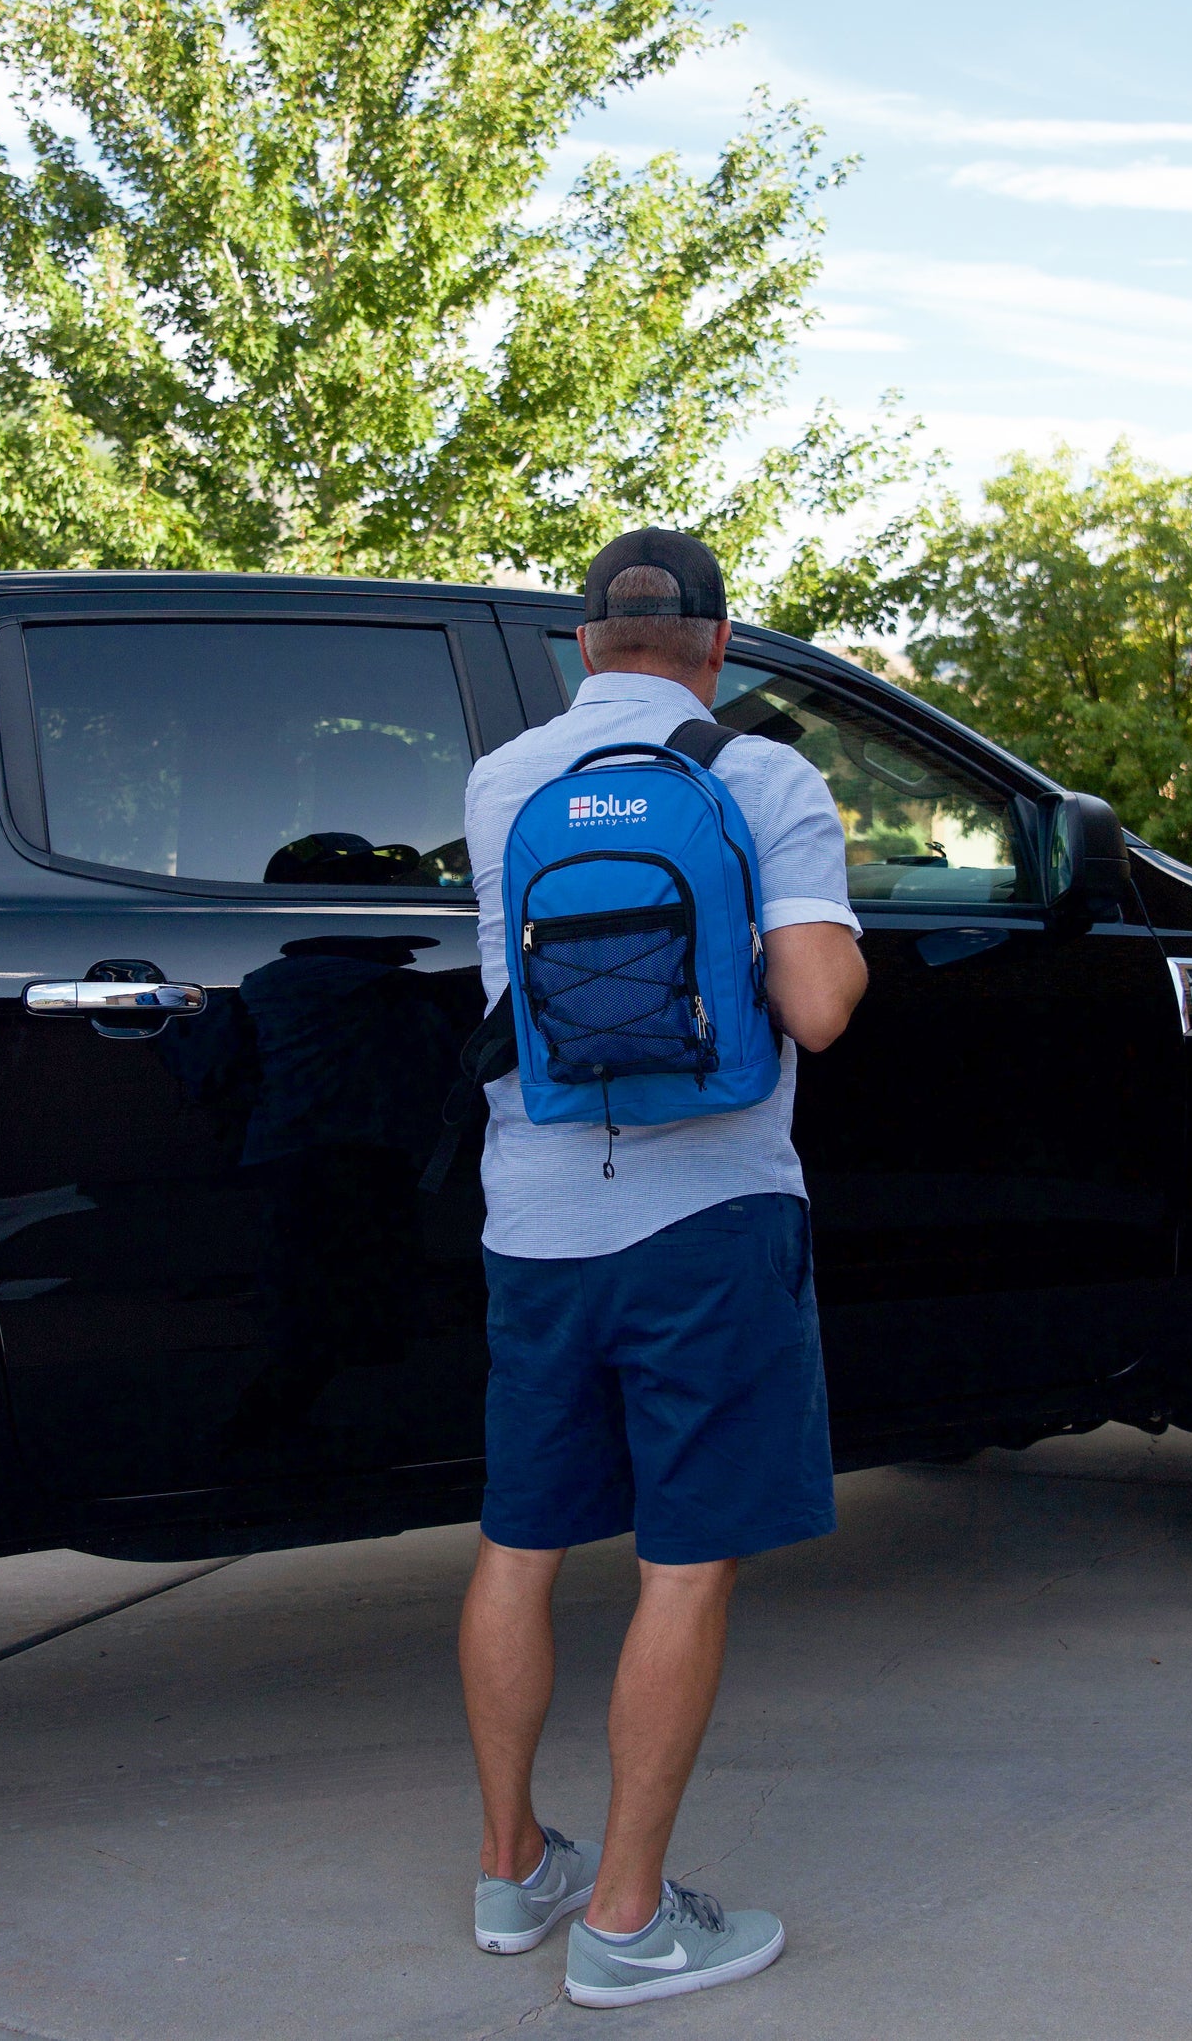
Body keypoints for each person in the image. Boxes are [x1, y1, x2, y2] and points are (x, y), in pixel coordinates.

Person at [459, 528, 868, 2007]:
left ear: (582, 645)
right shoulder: (762, 775)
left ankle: (516, 1870)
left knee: (521, 1537)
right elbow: (819, 1009)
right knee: (684, 1558)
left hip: (536, 1223)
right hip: (708, 1224)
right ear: (718, 638)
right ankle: (628, 1921)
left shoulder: (504, 780)